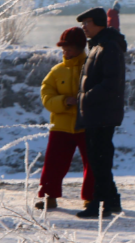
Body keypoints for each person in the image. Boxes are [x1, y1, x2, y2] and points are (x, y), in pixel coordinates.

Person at [75, 7, 128, 219]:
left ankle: (99, 205)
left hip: (102, 113)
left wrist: (85, 98)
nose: (84, 27)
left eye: (86, 22)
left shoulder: (108, 46)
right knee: (99, 159)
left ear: (98, 23)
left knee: (99, 160)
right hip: (97, 113)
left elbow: (111, 83)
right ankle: (112, 201)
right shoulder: (99, 45)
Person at [36, 27, 90, 211]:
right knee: (53, 163)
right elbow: (46, 96)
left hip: (86, 125)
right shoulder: (56, 71)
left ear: (80, 48)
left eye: (70, 49)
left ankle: (90, 198)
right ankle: (48, 197)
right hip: (60, 125)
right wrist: (64, 101)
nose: (66, 53)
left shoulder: (91, 67)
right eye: (64, 49)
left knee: (91, 164)